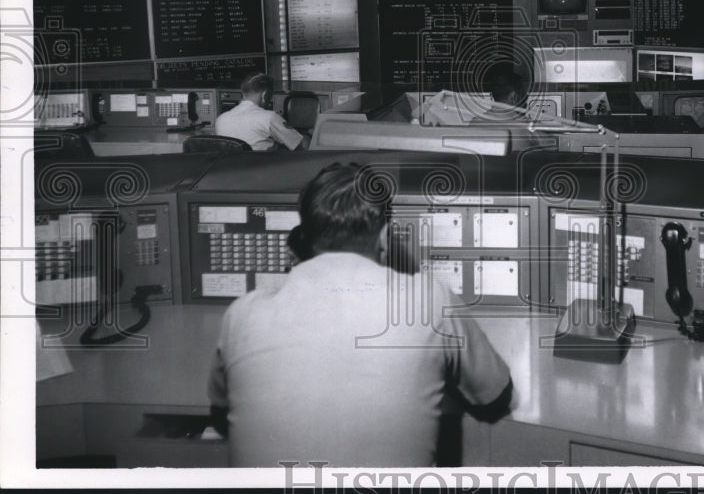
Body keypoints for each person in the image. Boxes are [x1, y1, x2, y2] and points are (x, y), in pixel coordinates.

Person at [207, 162, 512, 467]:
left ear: (303, 236)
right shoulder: (431, 300)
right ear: (385, 237)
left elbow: (222, 417)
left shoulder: (242, 314)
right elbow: (495, 398)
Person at [214, 73, 308, 151]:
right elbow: (303, 146)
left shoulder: (221, 119)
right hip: (263, 167)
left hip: (232, 167)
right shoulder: (269, 117)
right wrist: (309, 134)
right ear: (265, 95)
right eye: (270, 96)